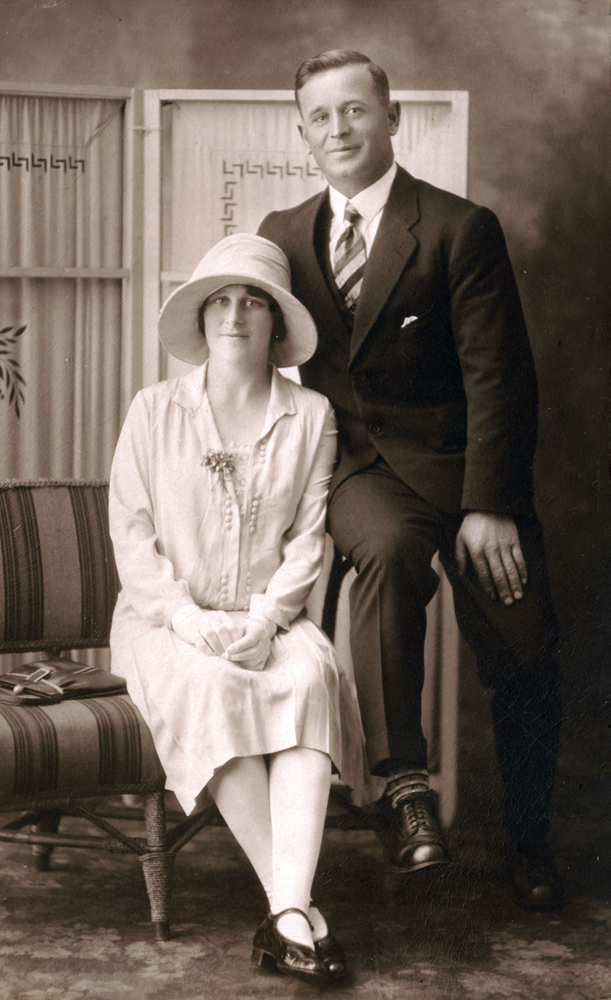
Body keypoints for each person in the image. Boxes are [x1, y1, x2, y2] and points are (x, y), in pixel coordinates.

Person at [258, 49, 564, 910]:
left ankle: (531, 843)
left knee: (525, 650)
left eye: (355, 110)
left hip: (468, 472)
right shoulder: (282, 235)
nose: (339, 129)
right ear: (302, 134)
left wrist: (488, 506)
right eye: (320, 116)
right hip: (359, 472)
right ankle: (405, 792)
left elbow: (499, 377)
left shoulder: (459, 227)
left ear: (392, 119)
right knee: (389, 558)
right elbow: (253, 352)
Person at [109, 233, 375, 984]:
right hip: (163, 620)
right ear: (199, 320)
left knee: (308, 675)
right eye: (219, 302)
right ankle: (295, 912)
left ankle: (286, 915)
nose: (234, 316)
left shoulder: (311, 415)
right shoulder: (153, 410)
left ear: (276, 325)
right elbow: (131, 536)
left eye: (252, 303)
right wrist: (189, 620)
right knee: (212, 686)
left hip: (270, 614)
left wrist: (263, 621)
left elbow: (306, 539)